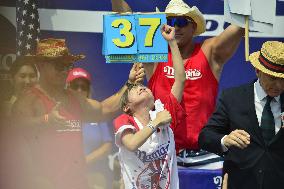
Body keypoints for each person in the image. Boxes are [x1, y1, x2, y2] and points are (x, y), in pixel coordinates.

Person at [112, 0, 244, 167]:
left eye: (181, 22)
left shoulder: (209, 51)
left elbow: (241, 23)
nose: (175, 27)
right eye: (170, 22)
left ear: (194, 27)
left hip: (205, 154)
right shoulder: (154, 54)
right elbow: (126, 21)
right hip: (162, 152)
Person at [12, 38, 145, 189]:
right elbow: (15, 132)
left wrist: (130, 82)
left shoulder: (73, 98)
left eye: (67, 65)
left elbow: (104, 110)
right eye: (58, 65)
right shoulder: (29, 100)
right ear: (41, 66)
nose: (64, 70)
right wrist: (46, 120)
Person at [198, 41, 284, 189]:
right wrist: (225, 140)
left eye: (283, 79)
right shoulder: (232, 98)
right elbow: (205, 136)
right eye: (273, 78)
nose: (279, 86)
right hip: (240, 183)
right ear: (257, 70)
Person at [114, 24, 185, 189]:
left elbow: (180, 79)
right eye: (134, 89)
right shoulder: (125, 121)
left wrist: (172, 42)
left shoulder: (164, 114)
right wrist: (155, 123)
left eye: (144, 87)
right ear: (127, 107)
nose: (141, 86)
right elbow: (131, 144)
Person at [66, 67, 113, 189]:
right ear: (67, 88)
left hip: (96, 173)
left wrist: (84, 161)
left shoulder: (96, 112)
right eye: (75, 86)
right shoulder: (60, 112)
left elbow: (107, 146)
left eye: (84, 87)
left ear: (88, 90)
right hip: (67, 173)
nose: (79, 90)